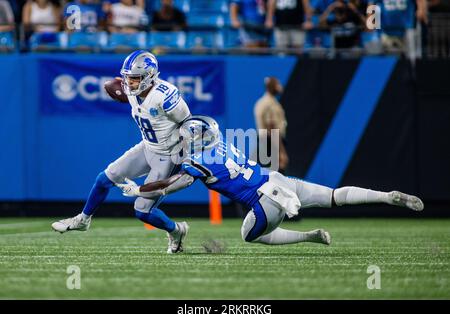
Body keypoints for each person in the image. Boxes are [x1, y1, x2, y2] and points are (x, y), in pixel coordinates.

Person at [116, 116, 424, 248]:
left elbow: (171, 185)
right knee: (335, 196)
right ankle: (386, 196)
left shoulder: (196, 162)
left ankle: (309, 236)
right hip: (276, 179)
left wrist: (138, 190)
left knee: (250, 236)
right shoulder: (222, 141)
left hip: (266, 200)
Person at [51, 50, 191, 254]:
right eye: (127, 78)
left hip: (169, 155)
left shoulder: (165, 95)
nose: (129, 83)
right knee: (104, 179)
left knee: (142, 211)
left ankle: (176, 230)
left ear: (150, 76)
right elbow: (121, 90)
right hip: (147, 147)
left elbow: (190, 125)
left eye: (134, 79)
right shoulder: (133, 91)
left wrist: (185, 159)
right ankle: (83, 219)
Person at [254, 77, 289, 173]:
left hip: (265, 141)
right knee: (276, 176)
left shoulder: (261, 102)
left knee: (266, 173)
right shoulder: (269, 104)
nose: (280, 87)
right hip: (271, 142)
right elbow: (271, 127)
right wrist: (281, 151)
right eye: (277, 84)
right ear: (273, 87)